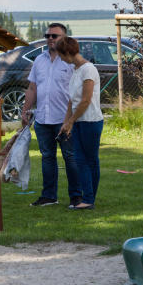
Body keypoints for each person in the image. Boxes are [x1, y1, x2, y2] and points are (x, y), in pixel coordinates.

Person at [20, 23, 75, 205]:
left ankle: (76, 197)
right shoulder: (39, 60)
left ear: (64, 38)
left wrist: (72, 119)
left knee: (70, 157)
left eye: (54, 36)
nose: (50, 39)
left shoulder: (70, 61)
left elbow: (78, 91)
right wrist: (25, 110)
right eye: (48, 36)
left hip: (64, 119)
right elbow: (32, 88)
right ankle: (49, 196)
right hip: (43, 118)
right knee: (47, 157)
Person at [56, 37, 102, 210]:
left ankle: (89, 199)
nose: (61, 59)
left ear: (68, 52)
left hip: (91, 121)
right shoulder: (76, 69)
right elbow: (72, 100)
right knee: (80, 160)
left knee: (89, 160)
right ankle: (87, 198)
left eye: (61, 55)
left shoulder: (88, 69)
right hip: (79, 121)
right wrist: (66, 123)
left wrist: (71, 122)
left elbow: (85, 101)